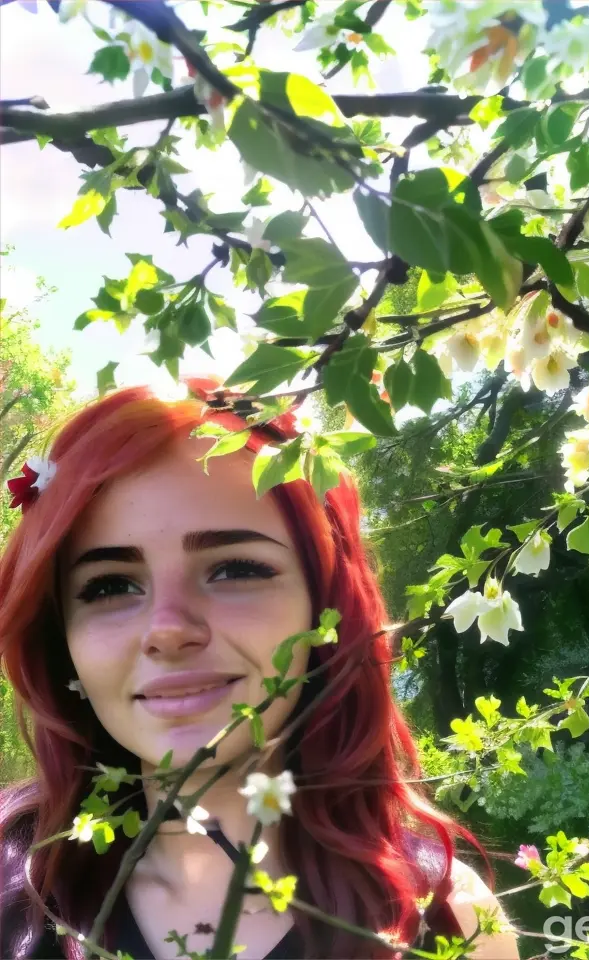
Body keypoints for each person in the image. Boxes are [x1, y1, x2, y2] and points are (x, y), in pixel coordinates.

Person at [0, 377, 518, 960]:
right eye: (109, 585)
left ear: (327, 608)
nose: (168, 630)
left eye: (235, 569)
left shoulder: (450, 920)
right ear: (60, 637)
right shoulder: (8, 884)